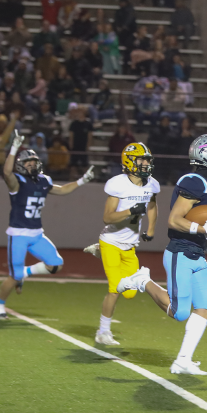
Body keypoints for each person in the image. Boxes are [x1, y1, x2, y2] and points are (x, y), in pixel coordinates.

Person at [116, 134, 207, 375]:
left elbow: (199, 232)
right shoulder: (194, 181)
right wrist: (201, 228)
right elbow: (174, 220)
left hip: (197, 254)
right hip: (180, 253)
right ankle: (143, 280)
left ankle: (183, 360)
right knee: (179, 312)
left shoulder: (206, 185)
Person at [0, 135, 94, 319]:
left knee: (56, 264)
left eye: (33, 162)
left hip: (37, 234)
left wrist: (82, 180)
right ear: (21, 165)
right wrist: (13, 149)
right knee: (13, 276)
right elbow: (6, 173)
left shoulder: (44, 181)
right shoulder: (17, 182)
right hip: (19, 234)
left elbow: (62, 190)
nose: (31, 165)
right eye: (28, 163)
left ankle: (25, 273)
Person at [83, 143, 159, 346]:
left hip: (130, 245)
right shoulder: (118, 184)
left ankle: (98, 252)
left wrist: (151, 229)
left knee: (131, 293)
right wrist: (130, 211)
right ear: (129, 161)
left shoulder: (151, 184)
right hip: (111, 241)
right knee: (115, 288)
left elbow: (152, 205)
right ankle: (103, 331)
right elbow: (107, 217)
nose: (145, 164)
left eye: (147, 160)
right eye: (141, 159)